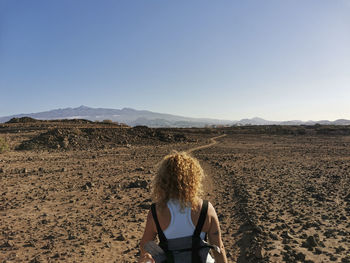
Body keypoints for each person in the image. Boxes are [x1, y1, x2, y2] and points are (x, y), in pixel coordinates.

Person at [138, 151, 228, 263]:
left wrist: (147, 256)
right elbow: (219, 248)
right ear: (193, 178)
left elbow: (145, 244)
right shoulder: (206, 208)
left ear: (163, 180)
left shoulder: (157, 211)